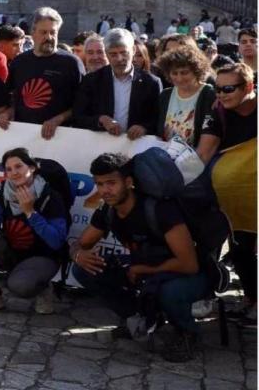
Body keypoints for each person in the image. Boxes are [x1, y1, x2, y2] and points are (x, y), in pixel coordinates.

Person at [72, 153, 208, 363]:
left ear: (128, 182)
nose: (104, 191)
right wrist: (78, 255)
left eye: (111, 183)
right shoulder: (108, 211)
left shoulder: (160, 210)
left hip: (191, 276)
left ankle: (188, 333)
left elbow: (189, 265)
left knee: (169, 292)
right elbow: (82, 243)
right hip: (147, 270)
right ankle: (137, 318)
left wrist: (142, 270)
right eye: (99, 184)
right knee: (84, 269)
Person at [0, 148, 68, 315]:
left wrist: (31, 212)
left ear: (31, 168)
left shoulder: (49, 195)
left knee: (20, 286)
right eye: (9, 169)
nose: (14, 173)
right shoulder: (2, 190)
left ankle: (44, 288)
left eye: (19, 167)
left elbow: (56, 241)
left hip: (43, 255)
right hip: (14, 250)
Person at [197, 63, 256, 322]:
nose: (221, 94)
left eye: (228, 89)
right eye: (218, 89)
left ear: (250, 87)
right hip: (236, 197)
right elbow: (204, 153)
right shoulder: (217, 113)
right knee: (241, 249)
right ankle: (251, 299)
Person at [0, 8, 83, 140]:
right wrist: (8, 113)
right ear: (33, 33)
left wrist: (58, 119)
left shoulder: (71, 63)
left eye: (53, 32)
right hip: (23, 135)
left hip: (61, 137)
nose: (49, 37)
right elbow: (13, 97)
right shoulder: (19, 62)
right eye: (43, 32)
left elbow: (82, 103)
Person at [73, 28, 161, 140]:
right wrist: (101, 120)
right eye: (113, 54)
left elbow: (157, 118)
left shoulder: (151, 83)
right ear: (106, 54)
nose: (119, 59)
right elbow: (79, 116)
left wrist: (144, 128)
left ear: (133, 50)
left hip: (136, 146)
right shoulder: (92, 80)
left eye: (124, 53)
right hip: (99, 144)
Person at [153, 47, 215, 147]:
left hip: (195, 156)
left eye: (184, 72)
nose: (179, 78)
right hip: (165, 154)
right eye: (174, 73)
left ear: (197, 70)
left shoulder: (209, 94)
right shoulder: (165, 95)